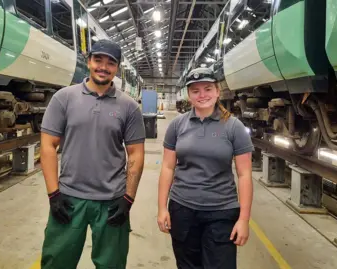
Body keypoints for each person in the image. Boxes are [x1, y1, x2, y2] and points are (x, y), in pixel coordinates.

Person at [40, 39, 146, 269]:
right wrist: (53, 195)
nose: (103, 67)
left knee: (112, 264)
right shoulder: (63, 98)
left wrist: (128, 198)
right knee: (56, 262)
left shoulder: (129, 107)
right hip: (69, 198)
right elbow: (48, 146)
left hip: (111, 201)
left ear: (117, 68)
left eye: (111, 63)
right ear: (88, 62)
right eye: (98, 60)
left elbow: (136, 154)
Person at [157, 67, 254, 269]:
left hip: (221, 211)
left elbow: (244, 175)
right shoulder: (177, 125)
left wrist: (243, 219)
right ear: (188, 95)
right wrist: (161, 208)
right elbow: (167, 168)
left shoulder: (234, 127)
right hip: (182, 209)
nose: (202, 95)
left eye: (208, 88)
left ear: (218, 91)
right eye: (195, 91)